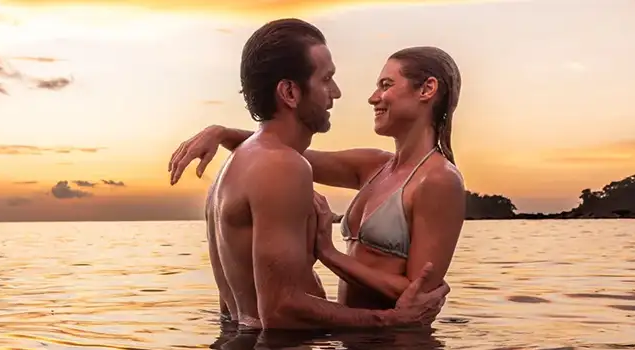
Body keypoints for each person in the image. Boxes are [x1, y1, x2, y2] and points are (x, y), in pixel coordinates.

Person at [190, 18, 450, 331]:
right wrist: (389, 319)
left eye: (385, 85)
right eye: (326, 79)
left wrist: (222, 133)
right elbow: (280, 310)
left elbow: (241, 308)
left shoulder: (238, 165)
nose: (337, 93)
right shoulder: (281, 165)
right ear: (289, 91)